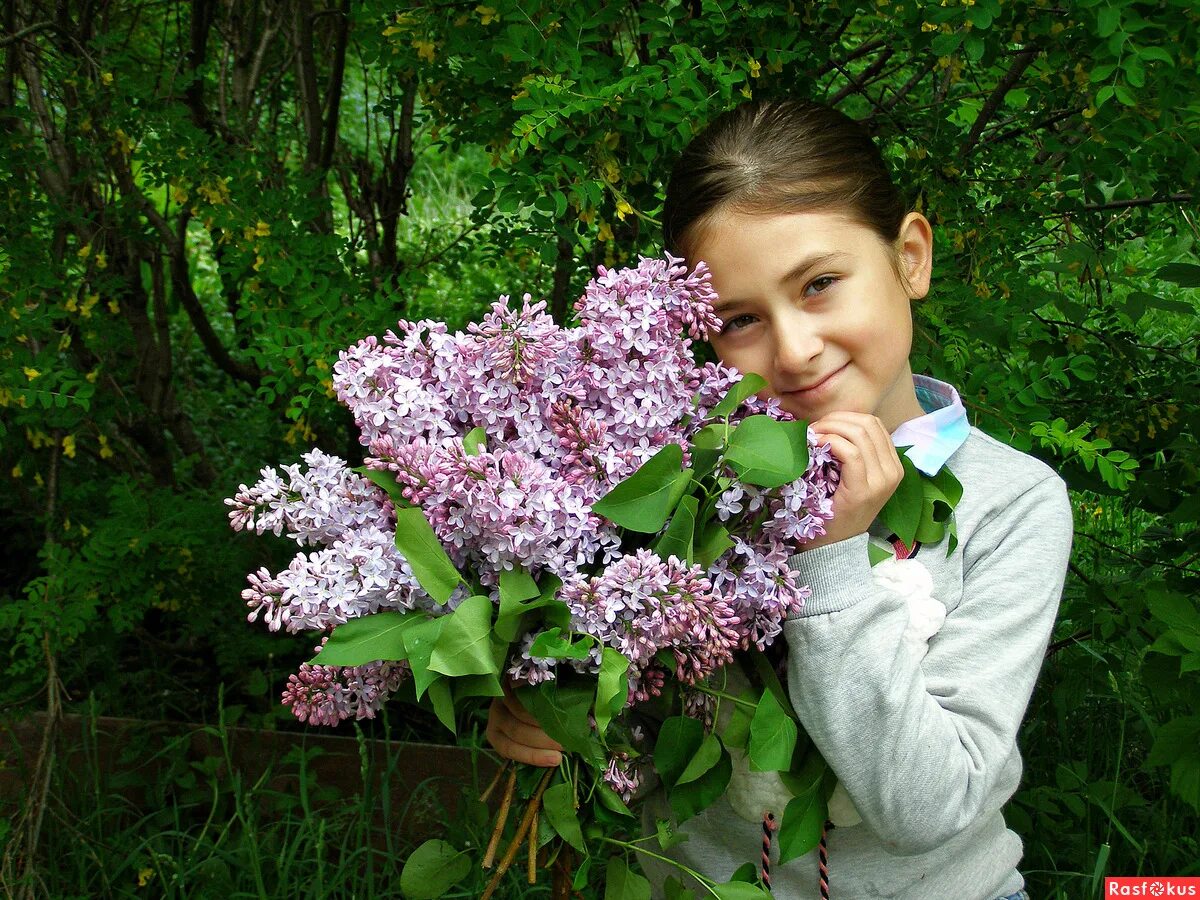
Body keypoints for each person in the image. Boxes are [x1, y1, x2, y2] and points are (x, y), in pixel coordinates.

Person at [486, 98, 1073, 900]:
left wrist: (830, 559)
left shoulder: (1012, 507)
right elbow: (647, 743)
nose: (795, 350)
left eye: (821, 283)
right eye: (738, 320)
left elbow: (932, 807)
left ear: (910, 256)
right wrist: (556, 715)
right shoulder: (669, 483)